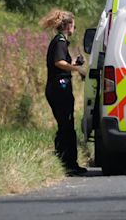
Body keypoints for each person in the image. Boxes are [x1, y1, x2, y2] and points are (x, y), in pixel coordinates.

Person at [39, 9, 87, 176]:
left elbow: (61, 61)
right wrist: (78, 69)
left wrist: (74, 62)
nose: (75, 28)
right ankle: (69, 164)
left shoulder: (59, 41)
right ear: (68, 26)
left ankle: (63, 160)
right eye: (74, 25)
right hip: (59, 89)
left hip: (57, 88)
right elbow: (59, 62)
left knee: (65, 125)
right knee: (67, 126)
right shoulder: (60, 41)